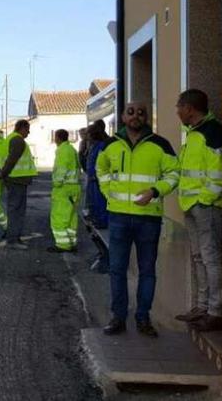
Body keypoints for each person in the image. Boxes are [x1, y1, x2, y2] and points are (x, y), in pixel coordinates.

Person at [97, 102, 179, 338]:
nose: (136, 116)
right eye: (131, 112)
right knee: (117, 270)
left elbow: (174, 174)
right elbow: (100, 170)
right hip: (119, 217)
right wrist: (107, 192)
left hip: (148, 219)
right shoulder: (111, 145)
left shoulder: (160, 144)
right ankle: (118, 318)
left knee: (147, 271)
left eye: (141, 113)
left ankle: (143, 318)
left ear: (146, 117)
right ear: (123, 117)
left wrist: (155, 191)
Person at [173, 89, 222, 332]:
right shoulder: (193, 133)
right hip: (192, 205)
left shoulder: (212, 132)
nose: (177, 112)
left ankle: (216, 312)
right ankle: (202, 307)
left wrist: (204, 200)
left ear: (190, 109)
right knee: (199, 257)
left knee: (210, 257)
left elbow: (219, 172)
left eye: (179, 108)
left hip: (207, 207)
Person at [0, 119, 37, 250]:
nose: (29, 132)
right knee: (17, 210)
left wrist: (3, 175)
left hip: (14, 179)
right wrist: (3, 174)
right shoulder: (18, 140)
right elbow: (12, 160)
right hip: (17, 179)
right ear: (21, 128)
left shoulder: (10, 138)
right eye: (27, 129)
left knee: (15, 209)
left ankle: (13, 236)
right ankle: (13, 240)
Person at [49, 129, 81, 253]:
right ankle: (71, 242)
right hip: (74, 187)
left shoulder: (62, 151)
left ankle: (63, 245)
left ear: (57, 138)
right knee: (71, 217)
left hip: (64, 189)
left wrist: (56, 183)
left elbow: (61, 169)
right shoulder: (72, 149)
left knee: (58, 217)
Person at [86, 121, 110, 229]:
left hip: (97, 179)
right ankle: (97, 219)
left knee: (100, 202)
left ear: (93, 135)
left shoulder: (101, 146)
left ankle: (102, 221)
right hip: (92, 179)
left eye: (88, 134)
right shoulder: (94, 146)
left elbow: (101, 163)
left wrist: (96, 175)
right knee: (94, 202)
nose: (87, 137)